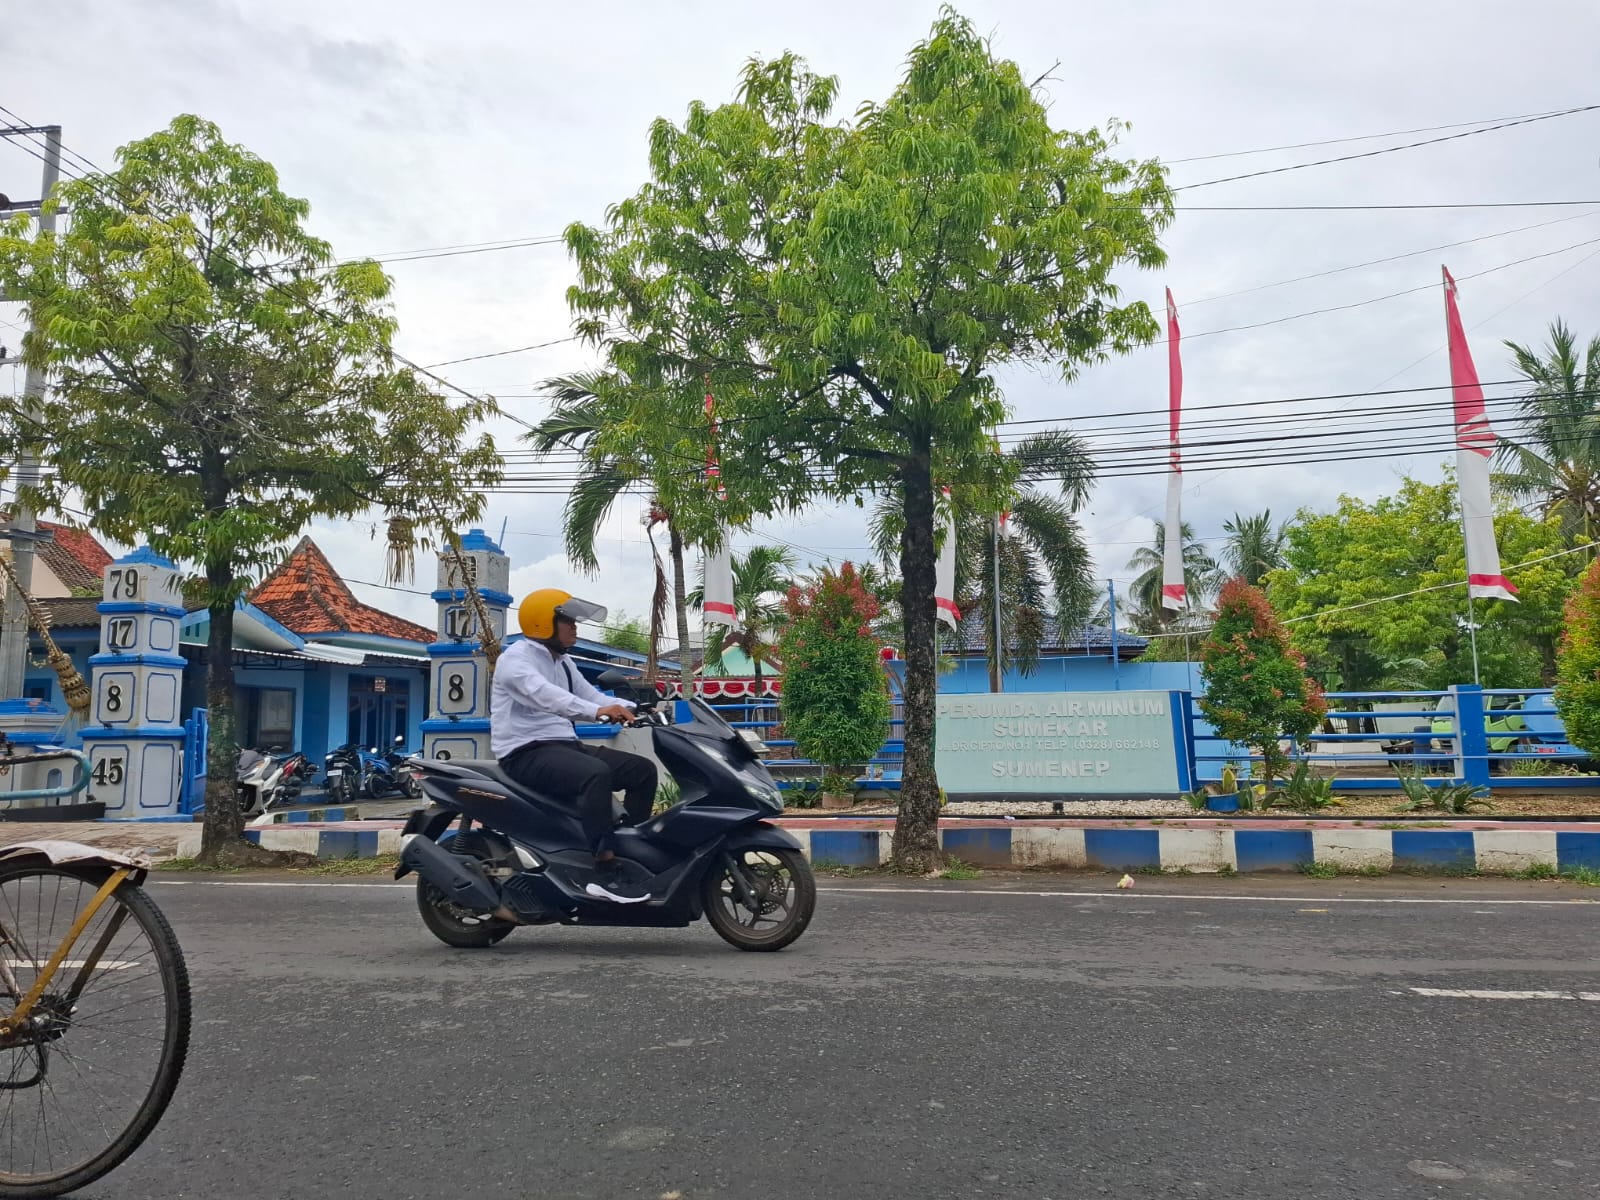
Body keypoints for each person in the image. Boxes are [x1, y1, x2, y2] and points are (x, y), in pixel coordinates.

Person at [491, 588, 658, 904]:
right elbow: (547, 696)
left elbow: (590, 694)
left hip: (563, 746)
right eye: (567, 621)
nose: (574, 627)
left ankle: (629, 850)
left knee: (642, 770)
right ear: (543, 623)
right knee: (595, 773)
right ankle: (604, 867)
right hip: (524, 751)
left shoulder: (563, 661)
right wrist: (599, 711)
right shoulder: (514, 660)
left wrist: (637, 708)